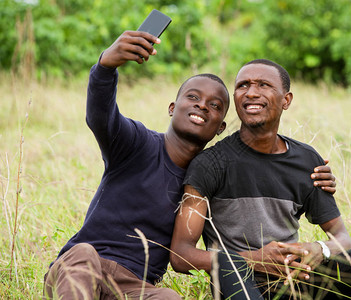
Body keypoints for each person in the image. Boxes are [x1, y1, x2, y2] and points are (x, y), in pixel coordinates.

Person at [43, 31, 336, 300]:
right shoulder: (136, 143)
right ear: (172, 108)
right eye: (193, 97)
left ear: (221, 127)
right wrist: (105, 67)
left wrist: (317, 175)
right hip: (83, 267)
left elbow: (263, 172)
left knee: (170, 298)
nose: (202, 106)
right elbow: (99, 116)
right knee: (82, 254)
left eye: (215, 105)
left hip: (134, 286)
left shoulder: (209, 175)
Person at [170, 59, 351, 299]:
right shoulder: (209, 164)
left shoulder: (306, 161)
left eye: (263, 85)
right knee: (229, 268)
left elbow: (342, 238)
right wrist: (254, 259)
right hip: (241, 283)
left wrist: (320, 249)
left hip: (297, 281)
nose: (250, 92)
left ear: (286, 100)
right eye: (242, 86)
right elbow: (181, 255)